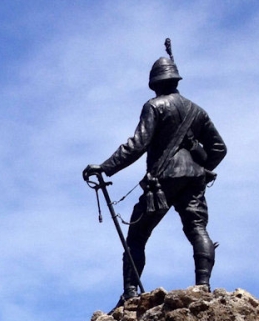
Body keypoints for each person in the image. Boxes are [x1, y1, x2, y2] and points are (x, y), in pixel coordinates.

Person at [83, 42, 226, 306]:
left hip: (162, 182)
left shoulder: (154, 106)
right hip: (194, 179)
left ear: (156, 83)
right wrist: (204, 170)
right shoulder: (198, 111)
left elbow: (138, 144)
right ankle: (203, 285)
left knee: (137, 236)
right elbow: (219, 148)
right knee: (197, 228)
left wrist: (105, 166)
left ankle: (130, 293)